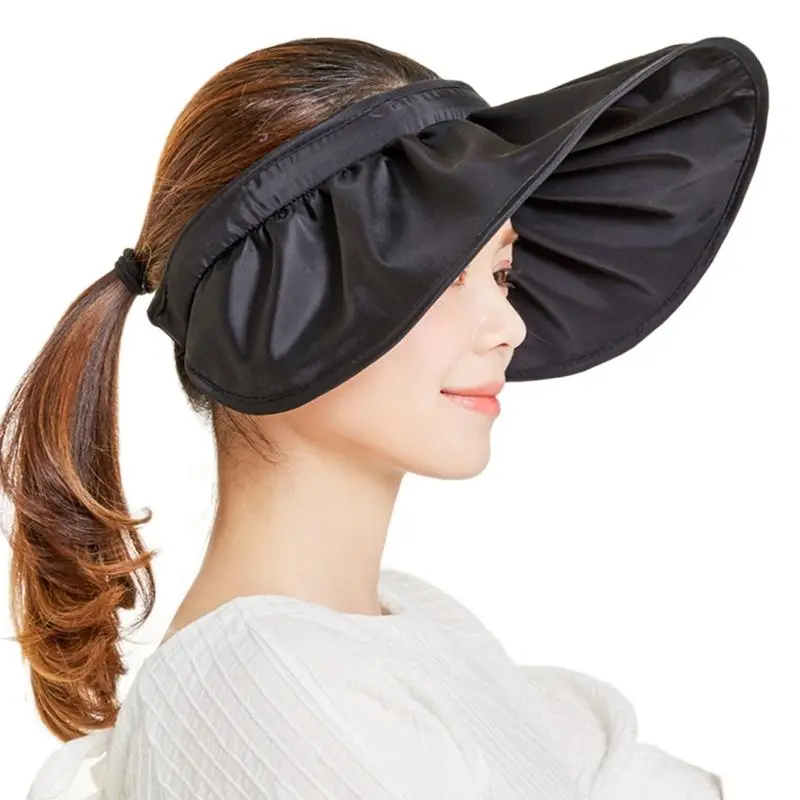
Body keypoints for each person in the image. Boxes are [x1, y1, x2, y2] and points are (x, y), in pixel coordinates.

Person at [1, 34, 767, 799]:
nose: (509, 326)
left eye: (501, 271)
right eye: (440, 274)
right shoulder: (266, 687)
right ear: (277, 307)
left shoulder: (408, 626)